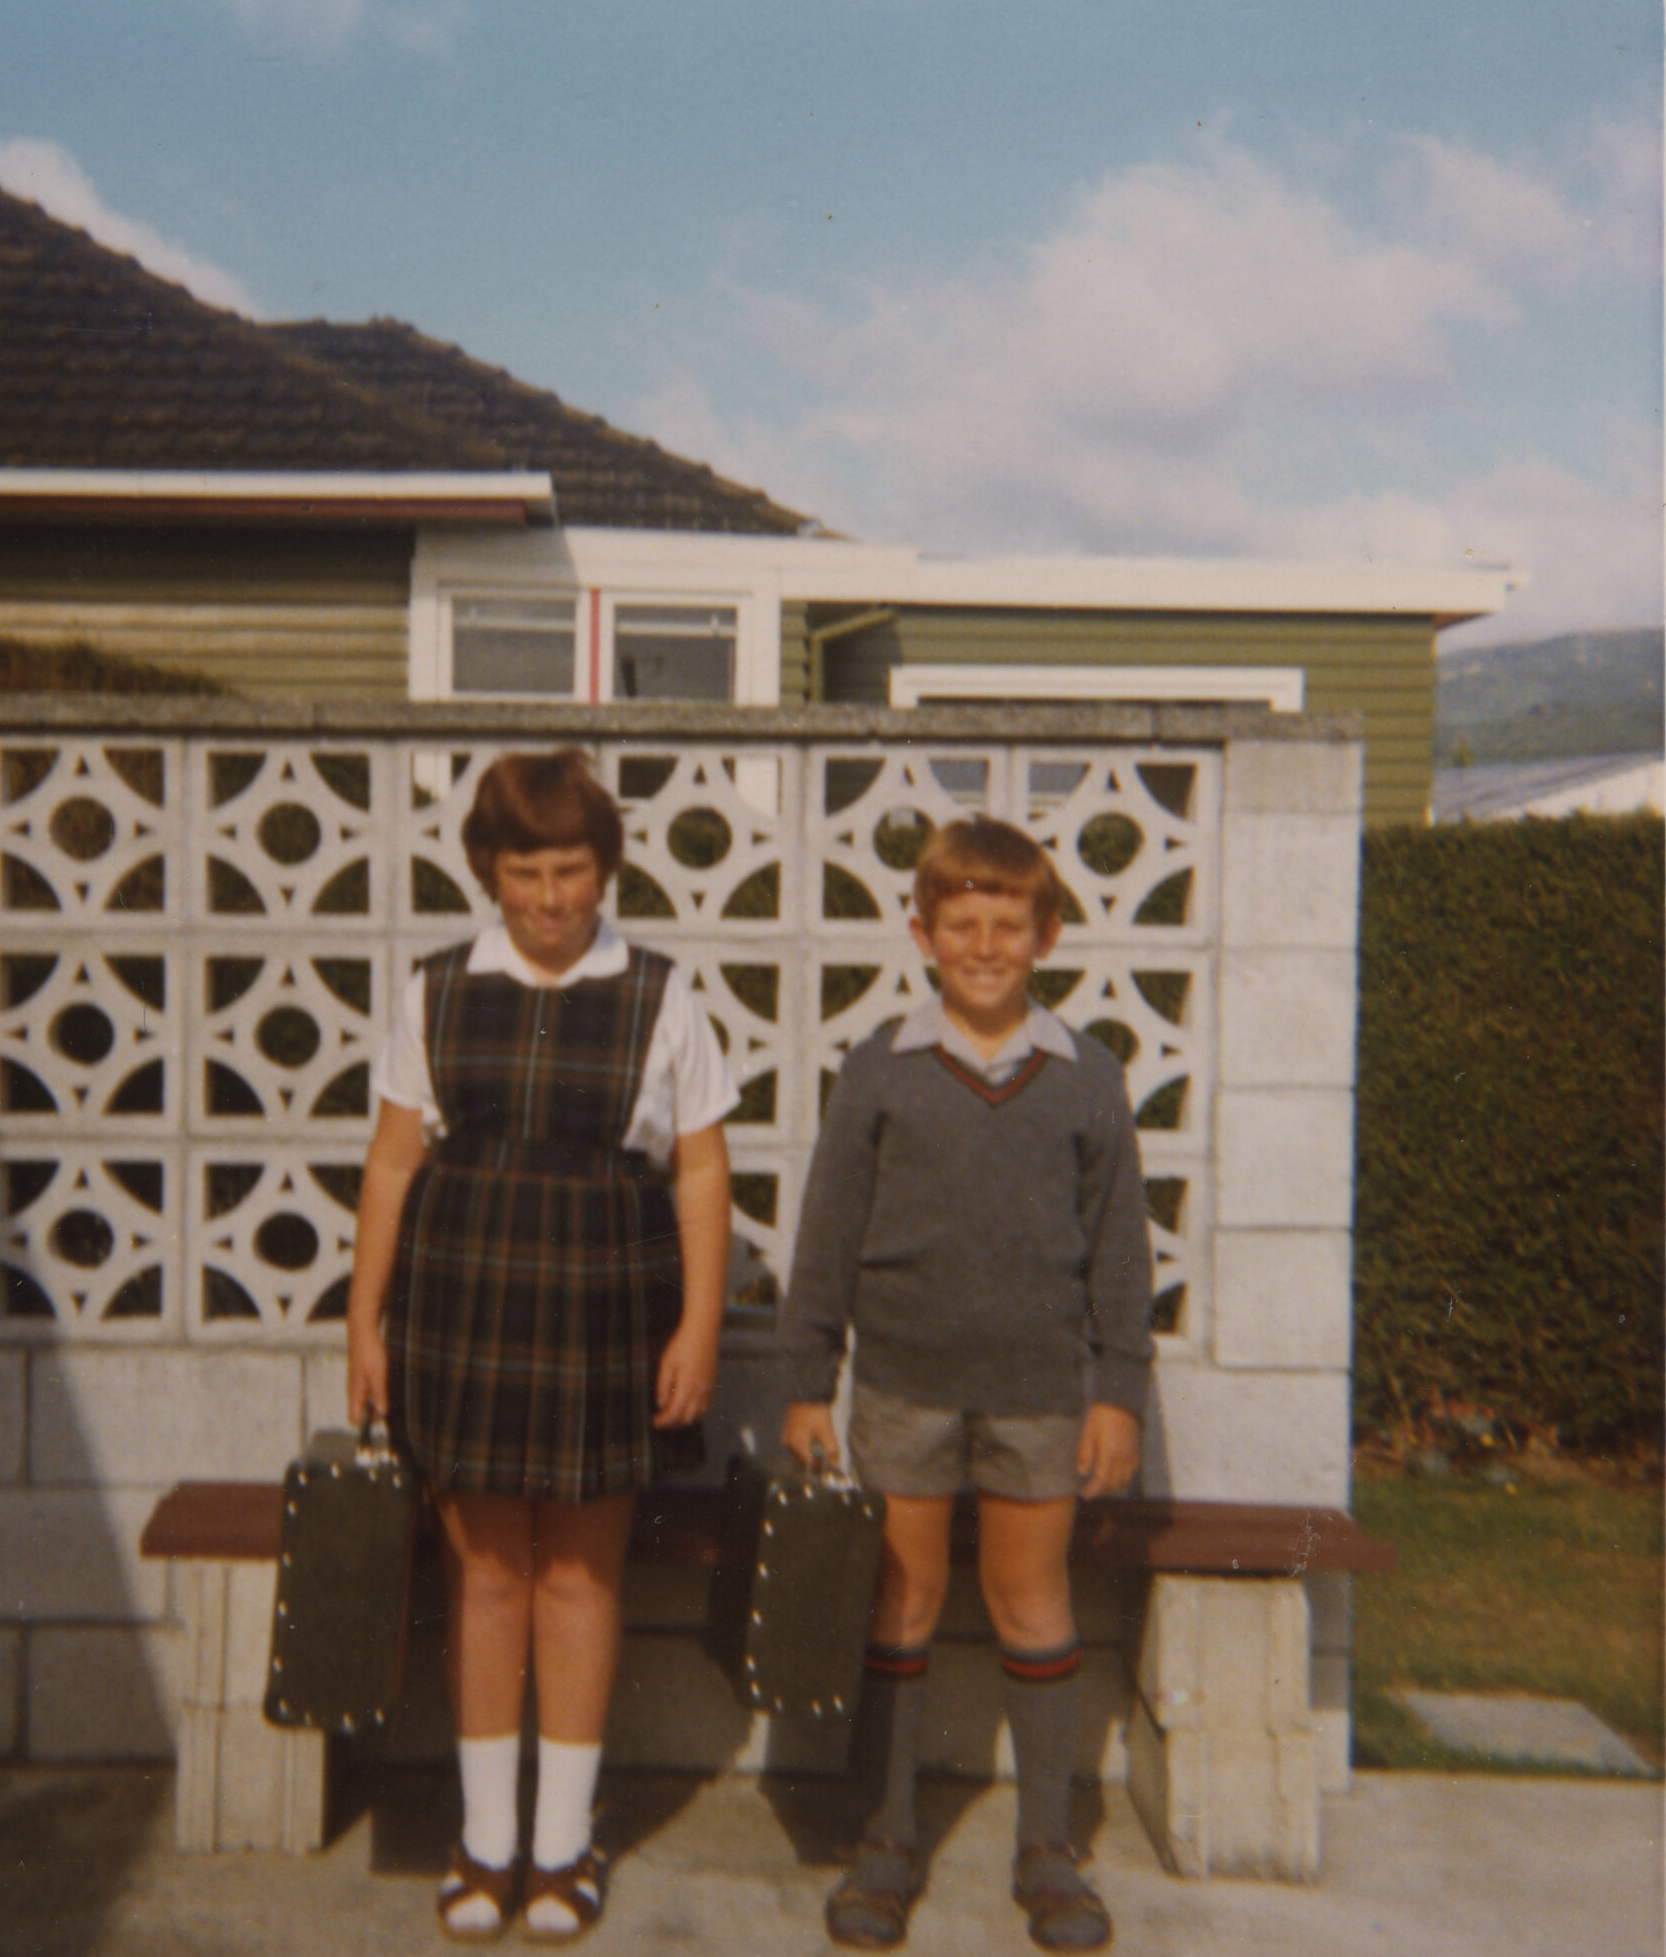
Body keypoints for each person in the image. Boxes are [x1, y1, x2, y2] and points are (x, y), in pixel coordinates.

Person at [347, 748, 736, 1945]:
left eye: (571, 870)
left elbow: (701, 1170)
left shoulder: (662, 994)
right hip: (462, 1311)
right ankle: (484, 1842)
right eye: (525, 873)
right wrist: (363, 1324)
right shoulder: (435, 988)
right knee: (484, 1577)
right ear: (488, 873)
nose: (551, 898)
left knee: (577, 1575)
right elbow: (393, 1162)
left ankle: (561, 1847)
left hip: (603, 1315)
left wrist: (700, 1325)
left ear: (604, 870)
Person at [780, 815, 1153, 1953]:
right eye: (962, 926)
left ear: (1045, 936)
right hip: (903, 1385)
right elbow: (827, 1232)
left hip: (1039, 1391)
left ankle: (1047, 1848)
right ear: (922, 934)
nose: (984, 947)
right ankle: (887, 1838)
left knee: (1029, 1600)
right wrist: (807, 1379)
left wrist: (1118, 1391)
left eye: (1007, 926)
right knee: (899, 1601)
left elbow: (1119, 1250)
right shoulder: (879, 1069)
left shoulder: (1087, 1076)